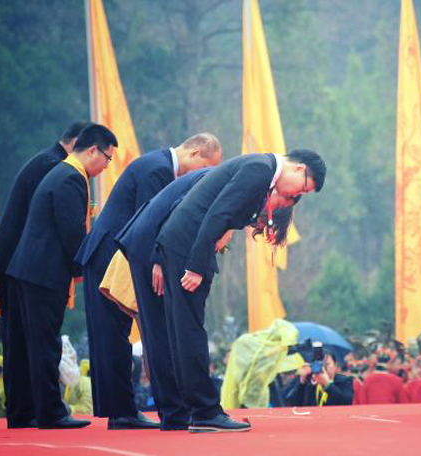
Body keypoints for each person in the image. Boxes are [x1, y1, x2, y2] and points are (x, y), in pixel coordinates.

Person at [156, 149, 325, 432]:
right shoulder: (261, 168)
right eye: (303, 190)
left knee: (181, 329)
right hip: (188, 247)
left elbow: (225, 213)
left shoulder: (260, 168)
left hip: (181, 242)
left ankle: (187, 411)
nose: (298, 196)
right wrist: (196, 265)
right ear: (299, 169)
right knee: (189, 330)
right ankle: (205, 412)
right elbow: (218, 212)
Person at [115, 165, 293, 429]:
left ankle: (177, 413)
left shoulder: (236, 190)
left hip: (162, 245)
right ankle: (184, 411)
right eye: (263, 221)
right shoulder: (232, 181)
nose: (258, 225)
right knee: (166, 331)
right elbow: (176, 208)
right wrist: (158, 258)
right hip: (151, 243)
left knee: (170, 330)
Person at [76, 133, 221, 430]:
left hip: (120, 251)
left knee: (118, 338)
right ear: (194, 153)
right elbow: (151, 220)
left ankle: (123, 410)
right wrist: (158, 260)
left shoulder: (157, 165)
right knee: (113, 339)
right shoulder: (156, 169)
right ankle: (122, 412)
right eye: (204, 169)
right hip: (110, 253)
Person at [5, 123, 117, 429]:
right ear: (93, 150)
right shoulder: (70, 178)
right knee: (45, 344)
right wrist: (88, 269)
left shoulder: (65, 172)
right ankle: (51, 413)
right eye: (107, 158)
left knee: (37, 343)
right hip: (42, 273)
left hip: (33, 270)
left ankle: (29, 412)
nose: (106, 167)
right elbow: (72, 234)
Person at [0, 121, 87, 428]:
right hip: (20, 262)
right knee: (25, 337)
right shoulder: (56, 167)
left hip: (17, 260)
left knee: (22, 337)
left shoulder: (48, 161)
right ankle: (31, 409)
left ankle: (23, 410)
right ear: (77, 143)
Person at [285, 350, 354, 407]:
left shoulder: (345, 381)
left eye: (327, 364)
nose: (323, 368)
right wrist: (302, 381)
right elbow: (293, 404)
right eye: (320, 365)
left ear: (335, 366)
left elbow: (346, 403)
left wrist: (328, 384)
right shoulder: (309, 381)